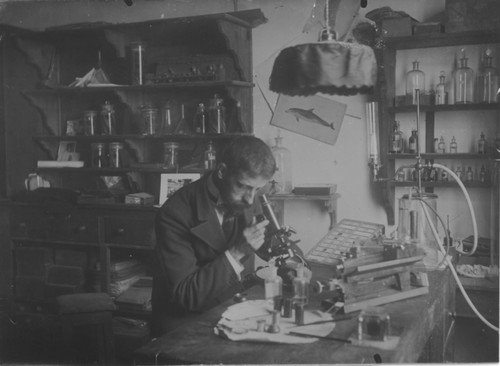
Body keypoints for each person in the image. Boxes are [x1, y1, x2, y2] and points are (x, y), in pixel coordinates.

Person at [151, 136, 276, 336]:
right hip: (184, 324)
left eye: (257, 189)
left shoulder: (245, 195)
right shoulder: (174, 213)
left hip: (230, 309)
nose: (251, 199)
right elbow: (186, 295)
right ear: (222, 171)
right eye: (243, 186)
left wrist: (293, 261)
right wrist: (236, 252)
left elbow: (267, 240)